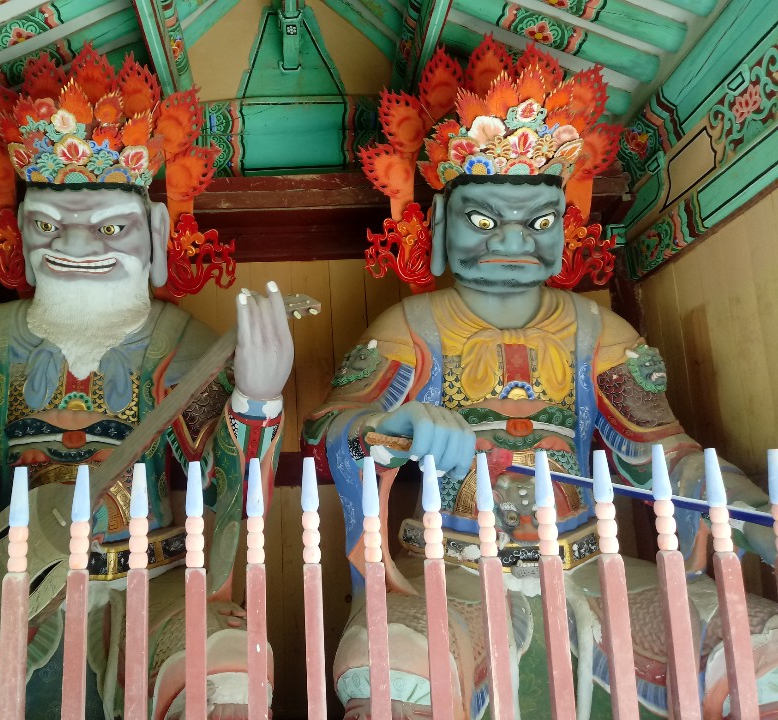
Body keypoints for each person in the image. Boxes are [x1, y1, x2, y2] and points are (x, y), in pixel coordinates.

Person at [303, 39, 778, 720]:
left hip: (592, 561)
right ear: (438, 224)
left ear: (566, 227)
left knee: (759, 649)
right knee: (387, 666)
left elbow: (666, 455)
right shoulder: (410, 328)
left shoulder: (601, 332)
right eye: (483, 219)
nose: (512, 240)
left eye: (540, 220)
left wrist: (756, 514)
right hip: (451, 567)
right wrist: (388, 427)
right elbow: (327, 431)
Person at [0, 46, 294, 720]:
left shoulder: (180, 343)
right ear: (19, 235)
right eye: (48, 225)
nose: (76, 247)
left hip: (147, 577)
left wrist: (256, 399)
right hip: (8, 575)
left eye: (110, 227)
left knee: (223, 671)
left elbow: (225, 482)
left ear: (157, 233)